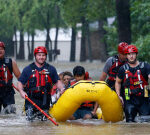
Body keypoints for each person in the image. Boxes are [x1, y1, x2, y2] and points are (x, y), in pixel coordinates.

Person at [17, 46, 64, 121]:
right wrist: (21, 91)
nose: (41, 57)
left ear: (46, 56)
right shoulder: (28, 69)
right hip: (31, 101)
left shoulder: (51, 69)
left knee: (43, 124)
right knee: (30, 123)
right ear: (35, 56)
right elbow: (20, 83)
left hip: (45, 101)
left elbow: (57, 82)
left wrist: (62, 89)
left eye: (43, 55)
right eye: (39, 55)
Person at [115, 45, 150, 122]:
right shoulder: (122, 69)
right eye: (129, 54)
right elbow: (117, 82)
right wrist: (119, 95)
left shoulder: (145, 66)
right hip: (129, 99)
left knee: (146, 122)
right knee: (129, 122)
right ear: (126, 56)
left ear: (136, 54)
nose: (131, 56)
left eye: (133, 54)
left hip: (144, 98)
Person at [92, 42, 128, 116]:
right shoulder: (111, 61)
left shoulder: (130, 61)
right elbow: (103, 77)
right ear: (119, 53)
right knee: (101, 93)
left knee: (128, 98)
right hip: (111, 84)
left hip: (125, 86)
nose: (125, 56)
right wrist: (99, 87)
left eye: (126, 54)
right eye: (123, 54)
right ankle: (94, 111)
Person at [0, 41, 21, 114]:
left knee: (11, 115)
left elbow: (20, 77)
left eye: (1, 49)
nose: (0, 50)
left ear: (4, 50)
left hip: (8, 92)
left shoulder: (11, 62)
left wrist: (24, 89)